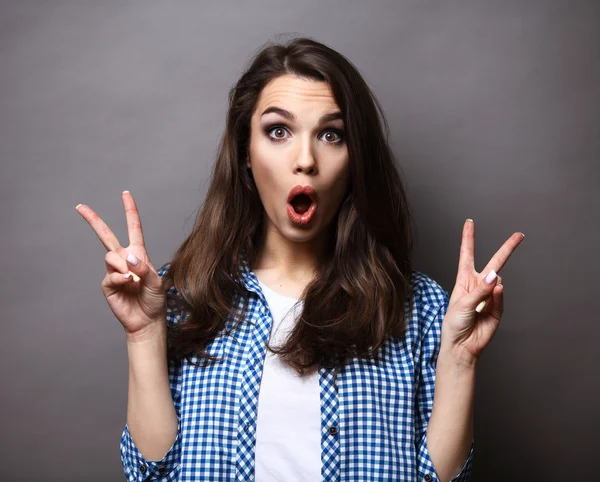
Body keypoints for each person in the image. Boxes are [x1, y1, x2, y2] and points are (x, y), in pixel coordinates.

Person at [76, 36, 524, 482]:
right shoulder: (181, 295)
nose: (305, 159)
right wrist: (143, 337)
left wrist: (461, 359)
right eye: (278, 131)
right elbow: (151, 475)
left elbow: (439, 480)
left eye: (331, 134)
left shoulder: (419, 306)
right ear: (245, 153)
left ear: (354, 162)